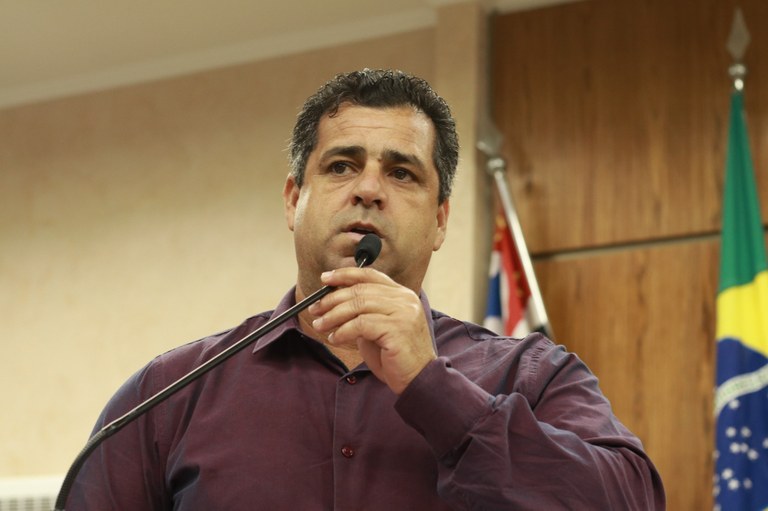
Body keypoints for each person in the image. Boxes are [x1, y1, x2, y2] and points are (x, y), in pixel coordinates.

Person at [67, 69, 665, 510]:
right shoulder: (168, 394)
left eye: (401, 173)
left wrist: (433, 388)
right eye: (341, 166)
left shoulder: (533, 376)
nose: (369, 190)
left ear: (440, 220)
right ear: (293, 201)